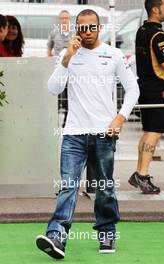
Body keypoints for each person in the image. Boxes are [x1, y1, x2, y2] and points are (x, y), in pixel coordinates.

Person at [36, 9, 139, 259]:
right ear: (76, 29)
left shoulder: (113, 55)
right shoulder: (67, 54)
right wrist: (67, 57)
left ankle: (107, 233)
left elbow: (133, 89)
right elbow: (53, 88)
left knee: (104, 188)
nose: (87, 32)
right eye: (82, 28)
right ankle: (56, 237)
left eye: (92, 27)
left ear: (99, 28)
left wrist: (119, 118)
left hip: (104, 134)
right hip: (73, 134)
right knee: (68, 186)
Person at [129, 0, 164, 194]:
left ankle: (139, 173)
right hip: (158, 90)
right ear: (155, 10)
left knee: (148, 130)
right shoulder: (158, 34)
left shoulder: (141, 31)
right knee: (154, 133)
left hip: (146, 87)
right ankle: (143, 175)